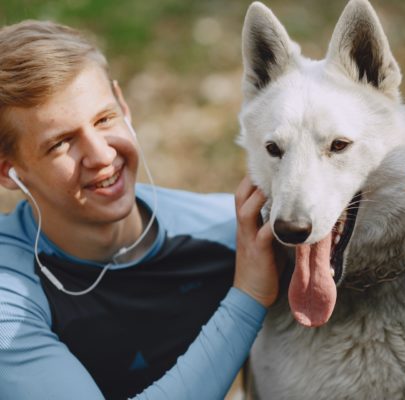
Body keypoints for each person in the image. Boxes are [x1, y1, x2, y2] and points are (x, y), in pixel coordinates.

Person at [0, 20, 280, 399]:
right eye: (61, 143)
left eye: (104, 119)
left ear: (124, 106)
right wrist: (248, 297)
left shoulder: (230, 235)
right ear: (9, 171)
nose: (101, 155)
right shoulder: (9, 295)